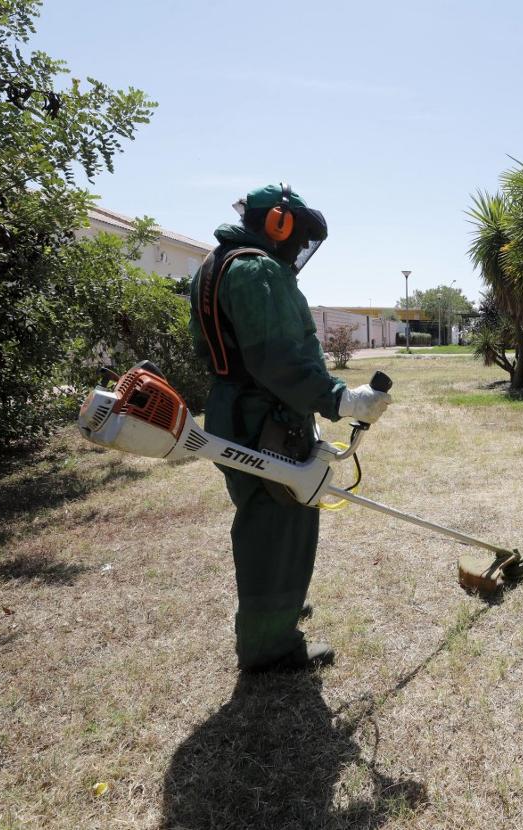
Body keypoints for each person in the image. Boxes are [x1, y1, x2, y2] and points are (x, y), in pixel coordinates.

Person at [188, 183, 392, 672]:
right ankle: (269, 643)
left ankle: (276, 607)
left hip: (231, 413)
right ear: (277, 223)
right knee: (279, 525)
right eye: (297, 235)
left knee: (262, 515)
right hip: (265, 419)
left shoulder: (214, 265)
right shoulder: (258, 270)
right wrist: (339, 398)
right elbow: (280, 357)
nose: (299, 247)